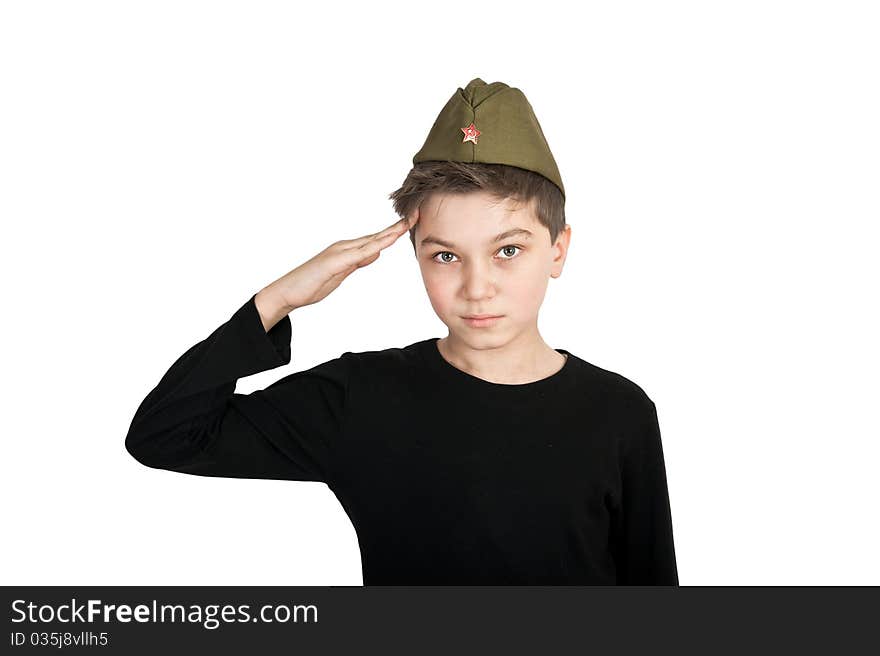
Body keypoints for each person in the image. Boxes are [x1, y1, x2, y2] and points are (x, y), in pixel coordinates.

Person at [125, 78, 679, 585]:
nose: (476, 286)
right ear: (413, 254)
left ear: (557, 250)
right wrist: (277, 300)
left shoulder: (619, 411)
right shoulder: (360, 398)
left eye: (508, 250)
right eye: (445, 255)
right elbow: (165, 436)